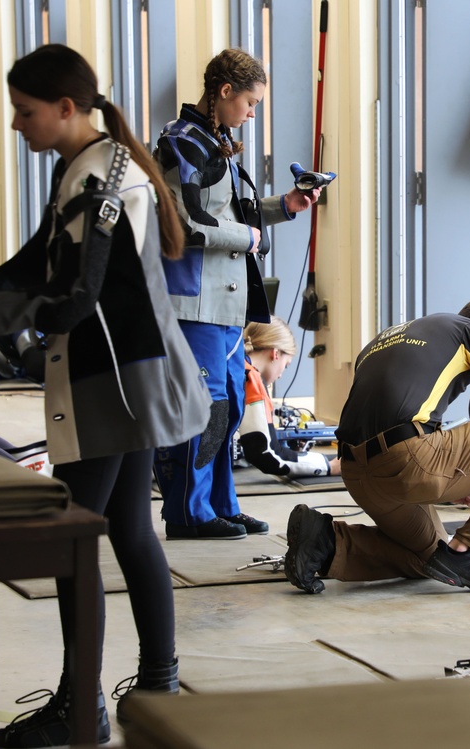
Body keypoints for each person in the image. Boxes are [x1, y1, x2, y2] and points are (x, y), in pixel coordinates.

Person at [0, 43, 211, 747]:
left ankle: (85, 708)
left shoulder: (99, 183)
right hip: (128, 373)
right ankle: (157, 687)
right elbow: (35, 260)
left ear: (67, 108)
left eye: (24, 112)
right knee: (130, 528)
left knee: (76, 540)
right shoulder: (92, 164)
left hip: (113, 381)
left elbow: (71, 297)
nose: (17, 125)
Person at [283, 295, 470, 595]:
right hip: (406, 460)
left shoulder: (388, 338)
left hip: (357, 474)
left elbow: (394, 417)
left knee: (435, 559)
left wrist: (467, 477)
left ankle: (325, 540)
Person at [153, 48, 320, 540]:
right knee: (202, 408)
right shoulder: (181, 143)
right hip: (193, 301)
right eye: (250, 102)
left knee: (226, 408)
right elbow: (185, 221)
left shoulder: (215, 138)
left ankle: (219, 504)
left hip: (225, 304)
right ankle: (187, 514)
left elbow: (231, 210)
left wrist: (285, 206)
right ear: (224, 92)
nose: (253, 113)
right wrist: (249, 238)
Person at [238, 315, 340, 477]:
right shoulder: (250, 378)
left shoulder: (235, 366)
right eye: (286, 365)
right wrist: (329, 466)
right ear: (276, 353)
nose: (280, 375)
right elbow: (268, 455)